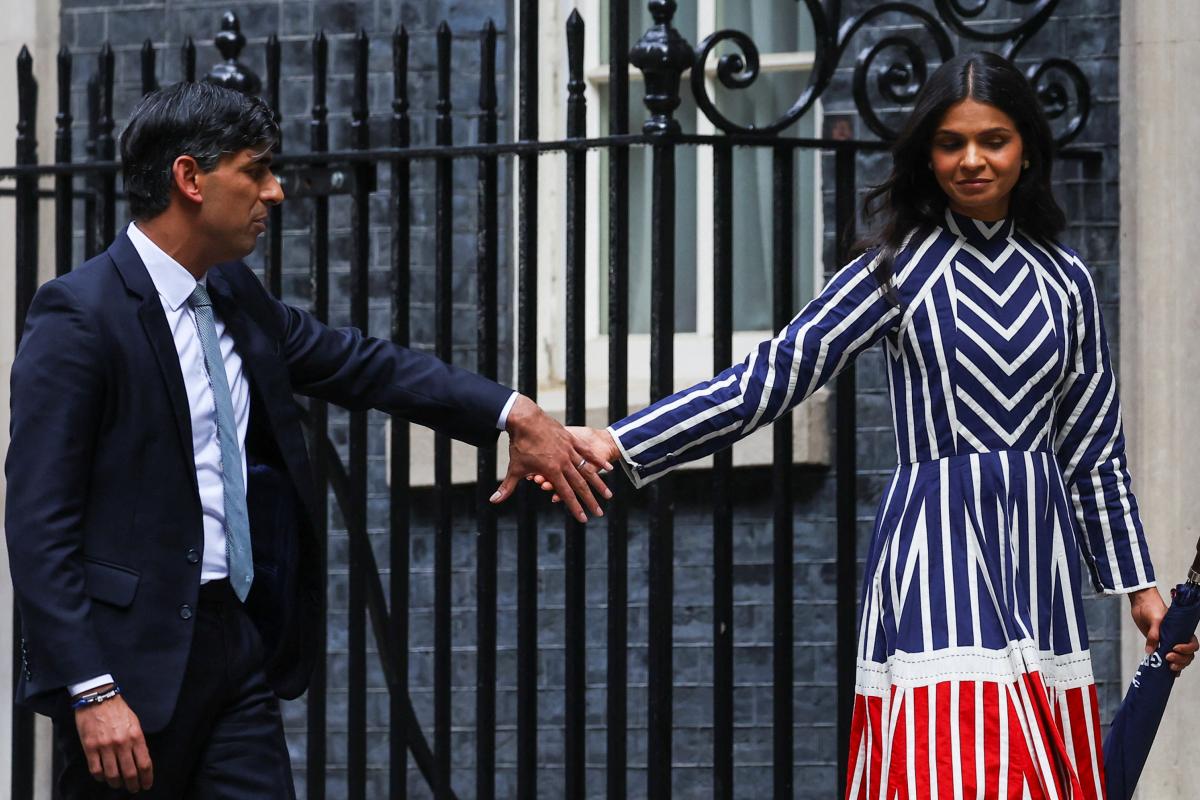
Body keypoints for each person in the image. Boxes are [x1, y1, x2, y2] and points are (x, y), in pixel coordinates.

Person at [537, 52, 1198, 796]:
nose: (972, 160)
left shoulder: (1067, 280)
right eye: (950, 143)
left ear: (1027, 150)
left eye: (994, 140)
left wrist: (1140, 589)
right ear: (926, 154)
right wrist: (619, 440)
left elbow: (1094, 450)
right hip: (936, 551)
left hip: (1036, 565)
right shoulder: (894, 269)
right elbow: (773, 376)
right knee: (964, 766)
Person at [4, 80, 611, 798]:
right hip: (128, 668)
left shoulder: (233, 296)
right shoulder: (80, 316)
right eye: (256, 170)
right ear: (190, 178)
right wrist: (91, 688)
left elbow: (365, 365)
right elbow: (39, 524)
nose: (276, 191)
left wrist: (514, 413)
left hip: (236, 645)